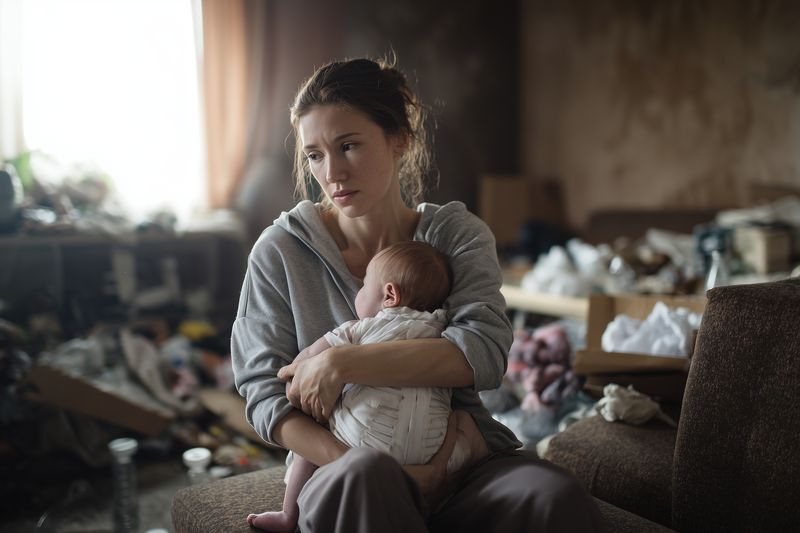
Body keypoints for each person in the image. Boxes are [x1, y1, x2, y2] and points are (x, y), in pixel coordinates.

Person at [232, 57, 603, 532]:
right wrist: (380, 468)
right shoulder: (280, 250)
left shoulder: (456, 235)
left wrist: (342, 363)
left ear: (399, 140)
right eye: (315, 155)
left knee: (553, 496)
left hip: (460, 460)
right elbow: (263, 392)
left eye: (349, 146)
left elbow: (483, 353)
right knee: (369, 477)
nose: (332, 173)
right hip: (342, 467)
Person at [247, 240, 488, 531]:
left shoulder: (359, 329)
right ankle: (458, 489)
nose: (358, 292)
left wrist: (293, 370)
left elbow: (307, 363)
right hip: (433, 452)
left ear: (389, 295)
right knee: (464, 422)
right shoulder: (441, 332)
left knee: (314, 423)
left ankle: (288, 515)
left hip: (363, 445)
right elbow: (473, 351)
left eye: (363, 286)